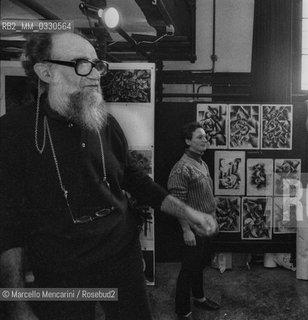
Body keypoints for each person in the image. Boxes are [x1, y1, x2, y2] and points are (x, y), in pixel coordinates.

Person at [0, 33, 217, 320]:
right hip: (61, 270)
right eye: (81, 64)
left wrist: (186, 212)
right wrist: (16, 303)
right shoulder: (14, 131)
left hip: (121, 257)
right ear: (46, 72)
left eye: (96, 64)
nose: (94, 75)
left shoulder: (103, 121)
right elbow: (7, 222)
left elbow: (133, 178)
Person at [168, 122, 221, 320]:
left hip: (206, 226)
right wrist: (185, 230)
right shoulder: (181, 169)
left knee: (199, 265)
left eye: (205, 136)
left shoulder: (201, 163)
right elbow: (176, 204)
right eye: (199, 137)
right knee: (188, 270)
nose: (205, 140)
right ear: (188, 141)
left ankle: (199, 298)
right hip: (192, 228)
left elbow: (200, 194)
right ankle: (183, 311)